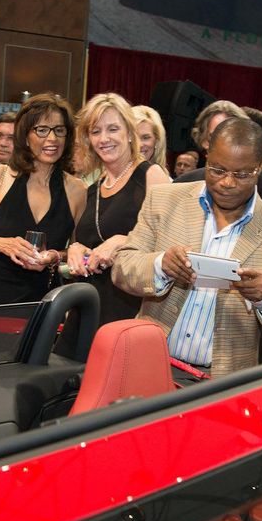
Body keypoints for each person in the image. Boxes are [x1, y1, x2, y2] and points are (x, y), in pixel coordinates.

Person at [112, 117, 262, 377]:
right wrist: (160, 266)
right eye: (217, 170)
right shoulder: (164, 200)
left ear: (259, 168)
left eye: (241, 174)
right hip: (150, 363)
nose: (227, 182)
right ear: (206, 157)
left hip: (220, 382)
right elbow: (123, 267)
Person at [61, 94, 171, 344]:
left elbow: (171, 246)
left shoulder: (151, 176)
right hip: (87, 305)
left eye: (113, 129)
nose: (104, 138)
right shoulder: (94, 188)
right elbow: (87, 242)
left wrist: (123, 241)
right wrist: (75, 249)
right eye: (96, 131)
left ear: (130, 133)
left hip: (129, 308)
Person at [0, 94, 87, 306]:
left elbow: (77, 249)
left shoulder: (77, 189)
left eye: (59, 130)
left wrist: (55, 256)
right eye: (42, 130)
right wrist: (3, 244)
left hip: (43, 299)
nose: (52, 139)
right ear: (26, 136)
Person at [176, 100, 262, 197]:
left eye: (232, 137)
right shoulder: (182, 184)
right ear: (204, 141)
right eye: (215, 137)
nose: (224, 144)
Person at [133, 105, 170, 175]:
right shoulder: (110, 181)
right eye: (134, 138)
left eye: (145, 137)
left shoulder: (165, 183)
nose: (139, 144)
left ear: (157, 141)